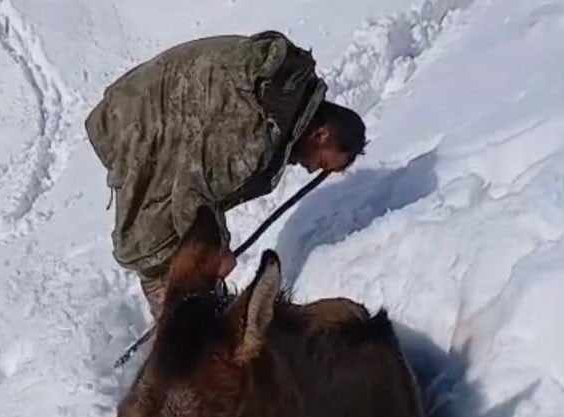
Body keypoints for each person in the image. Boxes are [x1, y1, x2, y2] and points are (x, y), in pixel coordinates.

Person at [85, 31, 367, 318]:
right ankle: (179, 336)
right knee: (156, 245)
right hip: (136, 121)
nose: (310, 169)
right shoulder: (257, 134)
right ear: (321, 133)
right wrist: (213, 253)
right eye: (320, 162)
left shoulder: (285, 94)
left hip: (146, 105)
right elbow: (192, 191)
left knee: (178, 238)